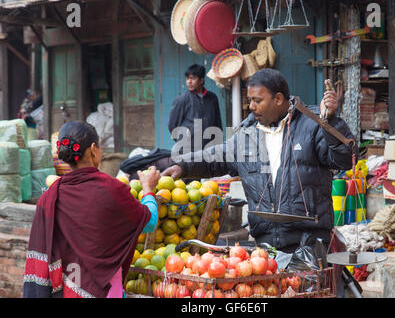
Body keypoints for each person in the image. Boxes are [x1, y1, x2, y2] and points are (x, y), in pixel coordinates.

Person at [162, 68, 357, 253]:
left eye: (257, 100)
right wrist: (183, 166)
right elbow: (216, 156)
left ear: (278, 99)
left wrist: (331, 122)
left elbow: (344, 160)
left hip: (310, 243)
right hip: (265, 247)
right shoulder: (247, 134)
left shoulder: (313, 124)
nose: (251, 106)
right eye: (250, 100)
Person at [23, 121, 161, 298]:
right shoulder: (111, 190)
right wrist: (148, 188)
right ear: (93, 149)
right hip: (106, 292)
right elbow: (149, 222)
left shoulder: (49, 197)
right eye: (100, 148)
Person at [168, 64, 223, 154]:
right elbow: (172, 125)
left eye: (193, 78)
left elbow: (217, 122)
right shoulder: (182, 100)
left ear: (201, 80)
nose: (189, 82)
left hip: (209, 147)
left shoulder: (212, 98)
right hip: (188, 149)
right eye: (187, 78)